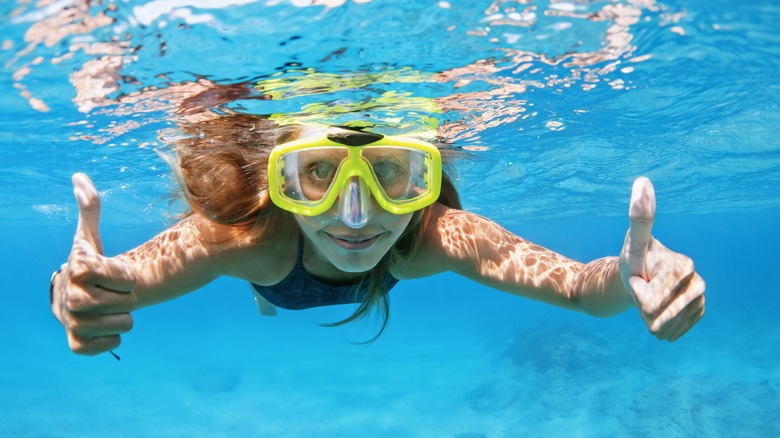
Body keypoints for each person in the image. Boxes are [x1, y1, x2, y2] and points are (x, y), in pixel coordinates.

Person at [50, 118, 705, 356]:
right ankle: (266, 297)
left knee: (271, 282)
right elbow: (110, 283)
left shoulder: (438, 237)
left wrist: (630, 277)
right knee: (266, 286)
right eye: (318, 176)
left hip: (286, 266)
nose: (356, 216)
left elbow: (581, 291)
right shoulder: (241, 239)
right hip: (273, 271)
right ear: (278, 180)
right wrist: (71, 292)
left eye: (391, 172)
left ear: (426, 177)